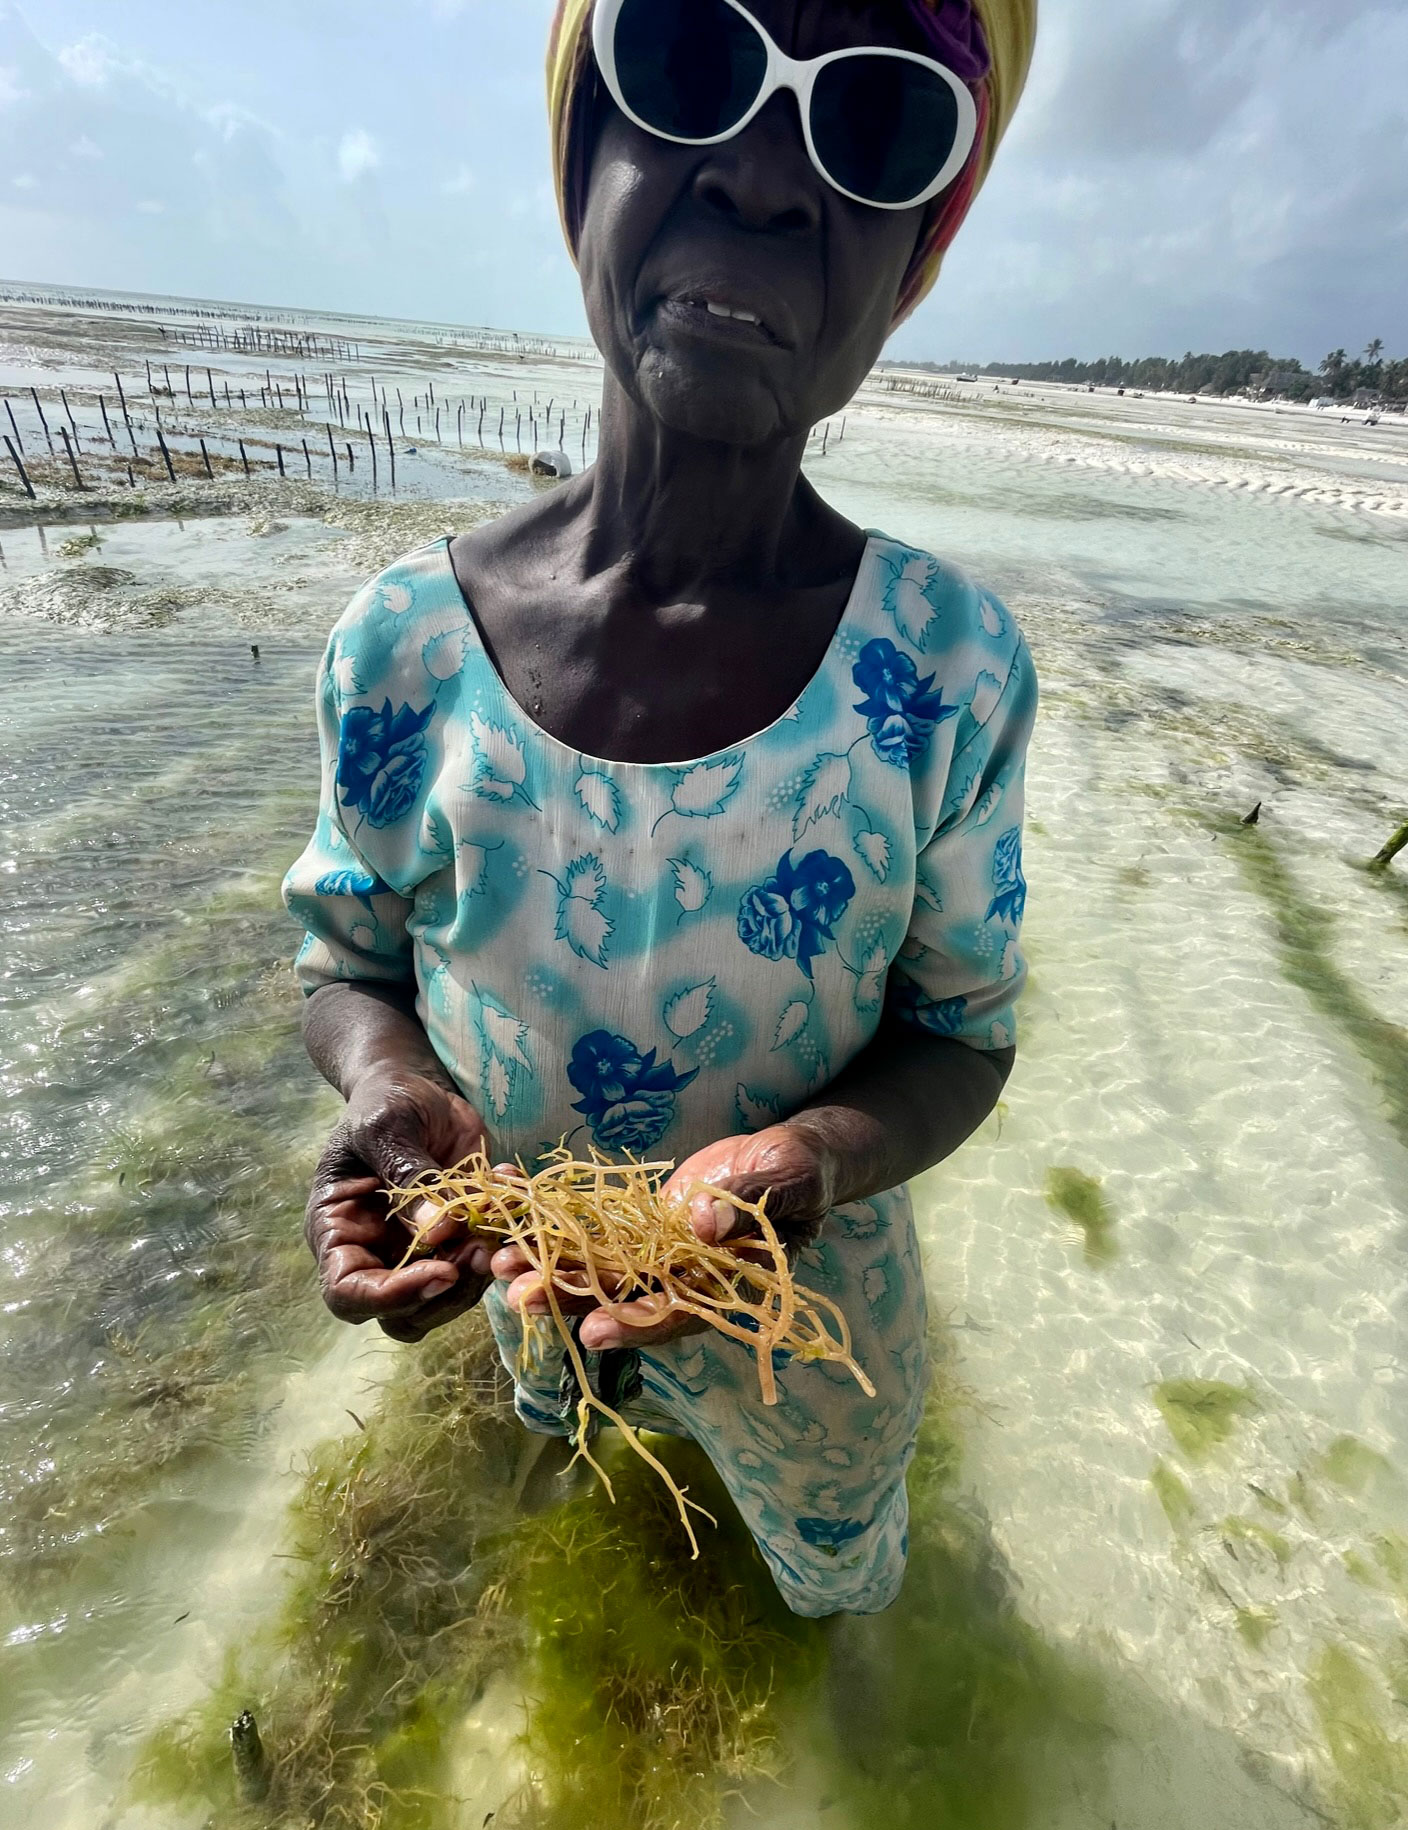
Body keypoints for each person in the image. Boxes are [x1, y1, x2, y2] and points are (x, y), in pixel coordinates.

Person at [285, 0, 1038, 1619]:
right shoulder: (402, 650)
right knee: (577, 1451)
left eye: (877, 122)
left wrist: (819, 1157)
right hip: (533, 1280)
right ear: (582, 156)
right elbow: (346, 956)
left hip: (810, 1337)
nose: (765, 179)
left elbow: (965, 1034)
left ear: (914, 259)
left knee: (825, 1580)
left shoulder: (948, 671)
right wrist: (393, 1085)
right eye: (695, 61)